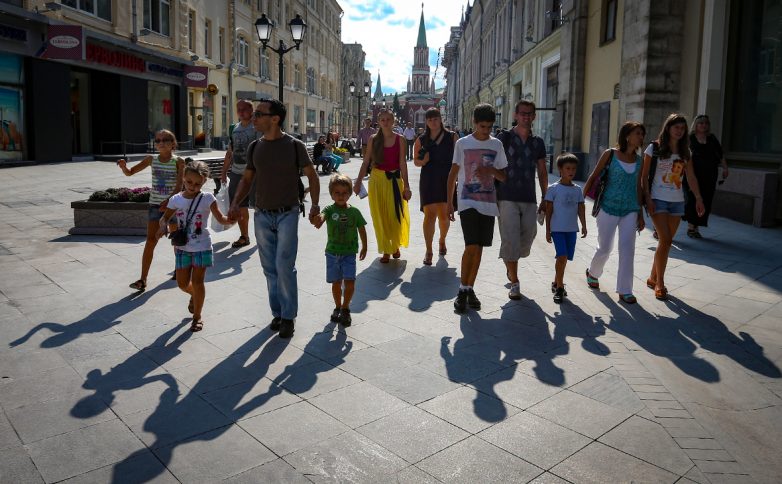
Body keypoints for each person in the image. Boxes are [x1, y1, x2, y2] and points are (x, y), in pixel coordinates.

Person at [229, 99, 320, 338]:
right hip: (261, 214)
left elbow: (312, 176)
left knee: (284, 265)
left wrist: (315, 206)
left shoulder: (294, 146)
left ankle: (288, 316)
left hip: (288, 213)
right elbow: (247, 179)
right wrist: (235, 203)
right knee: (269, 267)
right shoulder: (255, 147)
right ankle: (277, 313)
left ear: (275, 119)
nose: (254, 118)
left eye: (259, 114)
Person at [446, 103, 508, 313]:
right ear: (474, 122)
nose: (486, 131)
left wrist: (490, 170)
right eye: (482, 126)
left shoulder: (496, 145)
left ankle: (470, 288)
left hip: (488, 203)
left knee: (479, 248)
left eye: (489, 127)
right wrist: (449, 202)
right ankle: (462, 290)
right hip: (467, 201)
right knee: (471, 246)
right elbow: (453, 174)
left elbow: (503, 176)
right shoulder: (462, 143)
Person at [157, 161, 232, 332]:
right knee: (182, 284)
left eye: (198, 184)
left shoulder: (207, 198)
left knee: (198, 282)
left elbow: (220, 218)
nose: (193, 186)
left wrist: (231, 219)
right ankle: (194, 295)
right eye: (189, 182)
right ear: (183, 178)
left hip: (202, 246)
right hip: (182, 247)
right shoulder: (176, 199)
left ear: (204, 182)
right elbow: (165, 218)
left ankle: (197, 317)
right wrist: (162, 227)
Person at [641, 113, 705, 300]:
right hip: (657, 199)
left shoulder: (686, 152)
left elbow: (691, 177)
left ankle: (652, 277)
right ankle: (660, 283)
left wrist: (699, 198)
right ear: (668, 128)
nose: (679, 131)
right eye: (676, 127)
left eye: (683, 128)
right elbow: (643, 176)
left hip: (677, 201)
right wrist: (647, 197)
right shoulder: (654, 148)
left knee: (665, 242)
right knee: (666, 239)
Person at [583, 122, 646, 304]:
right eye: (637, 133)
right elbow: (593, 176)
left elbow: (638, 187)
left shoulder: (640, 161)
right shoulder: (610, 154)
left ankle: (625, 290)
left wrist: (640, 213)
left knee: (628, 249)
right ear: (627, 136)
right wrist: (580, 199)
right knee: (605, 247)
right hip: (608, 207)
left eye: (642, 134)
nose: (641, 137)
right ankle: (593, 273)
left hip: (630, 209)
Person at [118, 129, 184, 291]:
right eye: (158, 140)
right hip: (155, 206)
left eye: (165, 140)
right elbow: (130, 173)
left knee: (176, 239)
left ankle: (179, 269)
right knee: (150, 241)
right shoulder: (151, 159)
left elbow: (179, 186)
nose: (161, 143)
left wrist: (169, 201)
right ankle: (143, 279)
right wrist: (124, 167)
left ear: (173, 143)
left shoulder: (179, 161)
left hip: (174, 206)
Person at [495, 100, 548, 300]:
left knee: (528, 237)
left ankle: (510, 263)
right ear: (516, 115)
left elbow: (542, 171)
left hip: (528, 196)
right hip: (506, 195)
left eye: (529, 113)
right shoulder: (504, 137)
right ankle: (515, 281)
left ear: (534, 116)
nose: (526, 116)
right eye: (522, 113)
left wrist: (545, 196)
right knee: (510, 239)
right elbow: (493, 162)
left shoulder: (538, 142)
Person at [353, 109, 412, 263]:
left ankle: (395, 245)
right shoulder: (373, 139)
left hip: (394, 181)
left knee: (394, 215)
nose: (385, 122)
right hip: (377, 181)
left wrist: (406, 186)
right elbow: (366, 162)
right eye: (382, 120)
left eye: (388, 119)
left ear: (393, 121)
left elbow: (403, 163)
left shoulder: (400, 139)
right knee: (380, 216)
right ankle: (386, 249)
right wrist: (358, 182)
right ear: (378, 122)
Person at [312, 174, 368, 327]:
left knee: (350, 282)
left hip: (349, 253)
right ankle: (337, 307)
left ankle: (345, 308)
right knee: (336, 283)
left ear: (350, 194)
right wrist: (318, 219)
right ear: (331, 194)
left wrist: (364, 246)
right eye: (337, 192)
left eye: (344, 193)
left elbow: (362, 229)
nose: (341, 196)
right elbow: (322, 217)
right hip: (332, 253)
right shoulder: (329, 210)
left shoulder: (354, 212)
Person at [414, 108, 457, 266]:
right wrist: (423, 161)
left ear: (440, 119)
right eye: (430, 119)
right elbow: (416, 161)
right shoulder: (421, 139)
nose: (433, 122)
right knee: (429, 216)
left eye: (436, 119)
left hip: (447, 179)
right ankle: (429, 250)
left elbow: (459, 159)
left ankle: (442, 240)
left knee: (444, 216)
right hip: (429, 179)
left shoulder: (452, 137)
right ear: (426, 122)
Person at [545, 154, 587, 303]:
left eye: (574, 169)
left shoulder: (578, 190)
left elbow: (581, 208)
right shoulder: (553, 189)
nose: (571, 171)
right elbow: (548, 210)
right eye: (568, 168)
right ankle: (560, 288)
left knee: (564, 258)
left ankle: (556, 281)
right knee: (561, 256)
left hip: (571, 230)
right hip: (557, 229)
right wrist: (548, 230)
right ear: (560, 169)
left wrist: (584, 225)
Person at [220, 100, 260, 249]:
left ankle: (263, 236)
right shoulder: (234, 128)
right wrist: (224, 172)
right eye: (239, 109)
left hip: (255, 172)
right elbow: (230, 151)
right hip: (236, 173)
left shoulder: (257, 127)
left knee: (259, 206)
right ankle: (244, 236)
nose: (241, 112)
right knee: (239, 205)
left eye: (245, 109)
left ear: (251, 110)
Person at [684, 114, 729, 238]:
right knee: (693, 199)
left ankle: (696, 226)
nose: (704, 125)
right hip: (693, 175)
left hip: (710, 176)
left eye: (706, 123)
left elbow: (720, 154)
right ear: (696, 125)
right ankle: (691, 227)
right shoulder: (690, 138)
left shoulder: (712, 138)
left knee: (706, 199)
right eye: (701, 123)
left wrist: (725, 168)